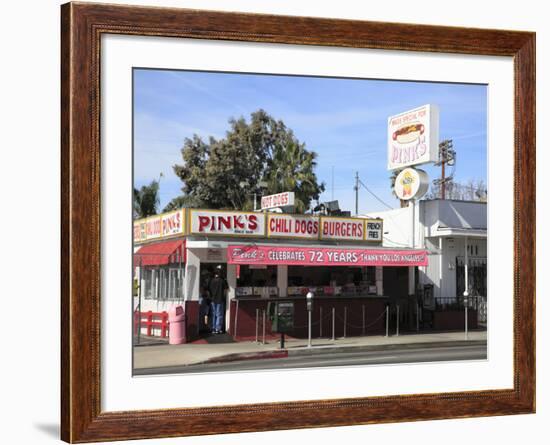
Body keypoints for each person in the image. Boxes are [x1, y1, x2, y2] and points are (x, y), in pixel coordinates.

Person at [209, 268, 228, 334]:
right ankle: (218, 329)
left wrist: (210, 297)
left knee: (213, 314)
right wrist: (224, 297)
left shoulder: (211, 281)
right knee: (219, 315)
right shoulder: (222, 281)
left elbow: (208, 291)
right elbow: (226, 290)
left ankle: (213, 329)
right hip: (220, 299)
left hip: (212, 300)